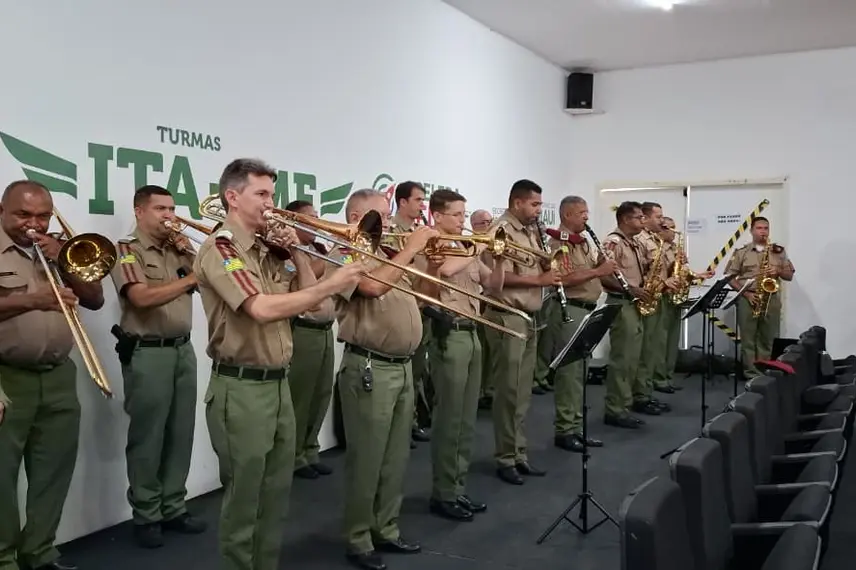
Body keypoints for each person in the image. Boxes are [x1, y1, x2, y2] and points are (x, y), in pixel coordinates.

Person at [193, 158, 363, 570]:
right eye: (262, 194)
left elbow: (313, 305)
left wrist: (296, 254)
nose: (273, 204)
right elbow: (262, 308)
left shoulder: (268, 252)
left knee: (274, 494)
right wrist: (333, 281)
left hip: (277, 383)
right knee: (245, 496)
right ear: (232, 198)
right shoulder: (221, 248)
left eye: (273, 193)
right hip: (241, 387)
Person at [328, 189, 440, 570]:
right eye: (380, 214)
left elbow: (426, 298)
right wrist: (411, 248)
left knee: (395, 457)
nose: (389, 221)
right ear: (357, 215)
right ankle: (358, 538)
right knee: (368, 459)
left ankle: (386, 528)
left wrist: (432, 264)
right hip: (370, 368)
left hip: (403, 365)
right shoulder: (342, 253)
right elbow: (372, 288)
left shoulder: (389, 254)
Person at [0, 180, 106, 570]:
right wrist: (33, 300)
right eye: (23, 215)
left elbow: (94, 299)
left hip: (59, 375)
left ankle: (39, 552)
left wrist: (63, 257)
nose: (34, 224)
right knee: (2, 477)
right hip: (8, 377)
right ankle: (3, 558)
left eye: (42, 215)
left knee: (53, 470)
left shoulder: (59, 246)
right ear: (2, 211)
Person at [109, 185, 205, 548]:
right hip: (148, 352)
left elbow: (213, 279)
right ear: (139, 212)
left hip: (183, 350)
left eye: (172, 208)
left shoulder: (178, 248)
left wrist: (192, 257)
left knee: (181, 432)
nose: (170, 215)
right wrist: (190, 278)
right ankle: (147, 514)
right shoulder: (126, 251)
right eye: (161, 209)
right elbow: (141, 298)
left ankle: (173, 507)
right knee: (148, 437)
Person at [419, 190, 503, 522]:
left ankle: (457, 486)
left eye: (464, 215)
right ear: (437, 216)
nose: (462, 221)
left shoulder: (466, 248)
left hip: (472, 332)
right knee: (450, 418)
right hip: (449, 335)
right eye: (456, 215)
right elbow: (449, 272)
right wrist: (480, 244)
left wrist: (496, 258)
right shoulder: (433, 246)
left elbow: (492, 286)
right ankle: (442, 491)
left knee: (467, 419)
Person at [483, 179, 560, 485]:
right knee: (508, 392)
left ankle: (519, 453)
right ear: (517, 203)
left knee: (523, 392)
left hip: (527, 316)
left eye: (540, 204)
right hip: (507, 316)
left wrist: (547, 266)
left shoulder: (530, 231)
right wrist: (540, 282)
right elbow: (498, 281)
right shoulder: (500, 232)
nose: (539, 210)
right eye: (535, 204)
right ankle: (505, 457)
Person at [545, 196, 617, 452]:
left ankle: (576, 427)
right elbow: (563, 278)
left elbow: (588, 269)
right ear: (566, 215)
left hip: (586, 310)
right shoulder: (558, 242)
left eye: (587, 212)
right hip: (569, 310)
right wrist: (599, 271)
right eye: (581, 213)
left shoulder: (583, 242)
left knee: (581, 372)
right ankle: (565, 430)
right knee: (570, 375)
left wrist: (601, 264)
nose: (587, 217)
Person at [283, 200, 337, 480]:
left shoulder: (320, 249)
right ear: (293, 222)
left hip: (326, 331)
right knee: (301, 397)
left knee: (321, 394)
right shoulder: (286, 253)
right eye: (310, 219)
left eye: (318, 217)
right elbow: (299, 284)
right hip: (303, 331)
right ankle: (293, 456)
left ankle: (310, 449)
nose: (317, 223)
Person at [600, 201, 651, 429]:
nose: (643, 221)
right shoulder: (613, 242)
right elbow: (603, 275)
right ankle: (615, 409)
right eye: (638, 217)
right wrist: (629, 289)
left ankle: (625, 404)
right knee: (622, 359)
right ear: (624, 220)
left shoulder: (636, 244)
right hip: (621, 303)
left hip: (634, 304)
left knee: (633, 359)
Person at [388, 181, 431, 446]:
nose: (422, 205)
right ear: (402, 202)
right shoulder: (392, 232)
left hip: (421, 309)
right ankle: (403, 425)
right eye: (417, 200)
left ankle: (412, 419)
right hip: (402, 308)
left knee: (415, 375)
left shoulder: (420, 232)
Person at [725, 216, 794, 378]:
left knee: (769, 337)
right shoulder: (741, 252)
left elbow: (789, 275)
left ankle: (765, 372)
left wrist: (778, 271)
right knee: (748, 339)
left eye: (766, 228)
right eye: (759, 228)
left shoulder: (778, 251)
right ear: (751, 231)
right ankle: (750, 373)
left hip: (771, 298)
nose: (763, 231)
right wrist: (746, 293)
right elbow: (729, 277)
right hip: (748, 298)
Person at [653, 217, 714, 392]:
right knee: (661, 340)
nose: (673, 231)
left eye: (674, 227)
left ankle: (668, 376)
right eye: (670, 228)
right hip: (661, 295)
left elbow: (683, 271)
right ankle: (658, 378)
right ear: (661, 229)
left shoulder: (675, 248)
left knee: (672, 340)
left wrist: (698, 275)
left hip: (674, 297)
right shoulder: (655, 246)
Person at [631, 202, 673, 416]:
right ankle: (639, 395)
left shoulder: (657, 239)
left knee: (652, 350)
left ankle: (645, 392)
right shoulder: (639, 240)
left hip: (657, 296)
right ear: (645, 219)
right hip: (645, 298)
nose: (662, 221)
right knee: (644, 351)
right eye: (658, 216)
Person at [469, 209, 495, 410]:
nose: (488, 226)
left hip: (490, 301)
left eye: (490, 221)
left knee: (488, 352)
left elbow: (492, 278)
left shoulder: (493, 244)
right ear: (474, 226)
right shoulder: (469, 245)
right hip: (475, 303)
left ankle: (487, 389)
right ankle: (476, 392)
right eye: (483, 223)